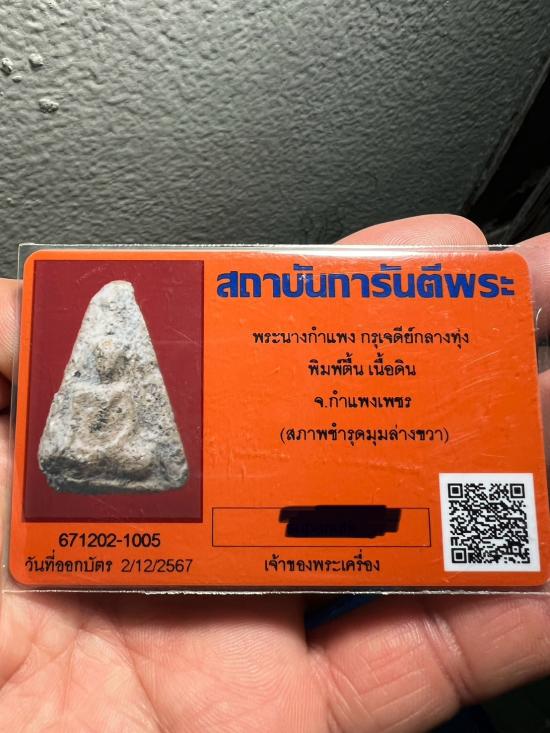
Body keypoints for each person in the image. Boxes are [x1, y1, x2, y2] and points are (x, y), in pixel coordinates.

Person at [0, 214, 548, 732]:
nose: (109, 358)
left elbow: (135, 442)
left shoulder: (125, 385)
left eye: (115, 351)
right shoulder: (89, 388)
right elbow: (76, 444)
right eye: (103, 352)